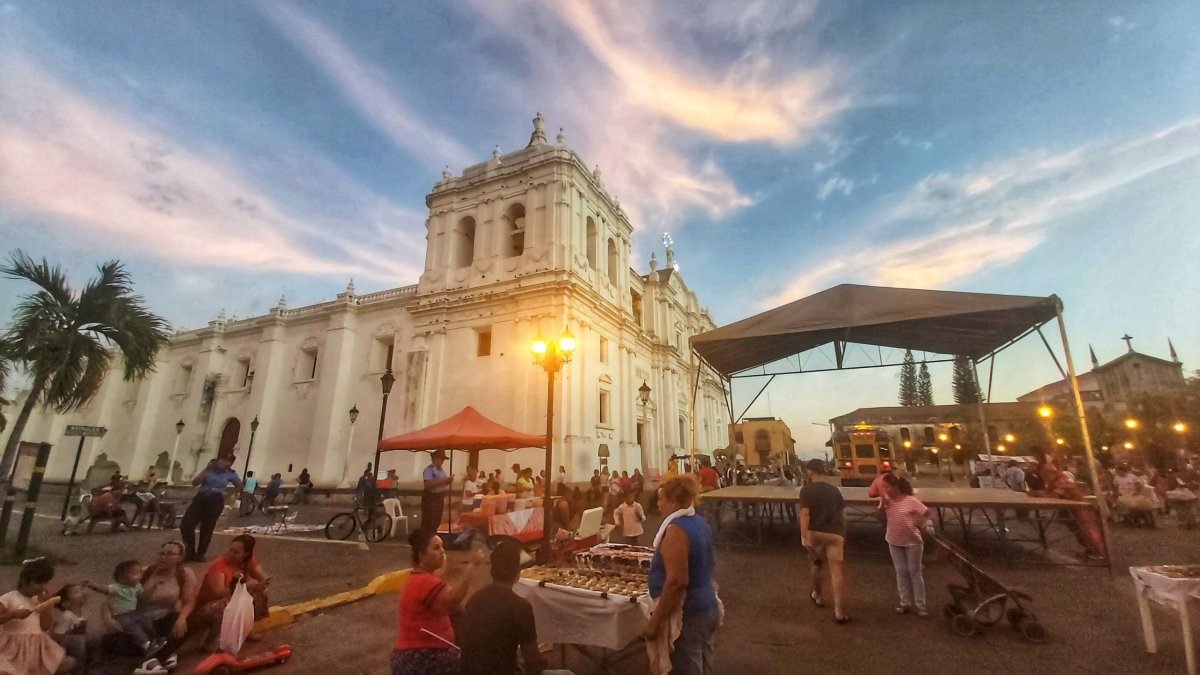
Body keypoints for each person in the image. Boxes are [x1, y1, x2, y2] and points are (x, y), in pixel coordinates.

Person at [644, 475, 719, 675]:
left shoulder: (676, 531)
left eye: (661, 499)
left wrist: (655, 621)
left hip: (689, 614)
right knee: (704, 663)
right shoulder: (699, 523)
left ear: (674, 502)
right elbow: (711, 562)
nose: (658, 504)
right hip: (706, 606)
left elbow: (677, 581)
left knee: (687, 667)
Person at [392, 530, 484, 675]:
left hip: (419, 653)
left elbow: (455, 609)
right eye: (436, 548)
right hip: (420, 656)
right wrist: (471, 566)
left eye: (442, 547)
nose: (442, 551)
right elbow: (453, 601)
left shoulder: (421, 579)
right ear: (422, 556)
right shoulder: (423, 582)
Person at [459, 541, 546, 675]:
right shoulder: (521, 607)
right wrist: (543, 662)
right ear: (518, 572)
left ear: (492, 571)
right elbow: (533, 664)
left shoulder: (474, 599)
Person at [193, 534, 270, 651]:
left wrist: (261, 586)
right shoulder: (218, 566)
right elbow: (218, 592)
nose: (231, 554)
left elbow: (263, 578)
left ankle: (247, 629)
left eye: (236, 552)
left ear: (246, 554)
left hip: (231, 599)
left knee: (256, 594)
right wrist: (242, 586)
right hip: (209, 605)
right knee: (225, 605)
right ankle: (209, 642)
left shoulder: (248, 561)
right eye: (231, 550)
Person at [0, 558, 75, 674]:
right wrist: (12, 615)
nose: (43, 587)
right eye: (38, 583)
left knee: (67, 663)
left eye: (45, 583)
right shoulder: (10, 598)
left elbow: (45, 626)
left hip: (37, 646)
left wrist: (47, 608)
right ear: (24, 582)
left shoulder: (37, 600)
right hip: (14, 647)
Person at [799, 458, 849, 624]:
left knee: (816, 565)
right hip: (835, 533)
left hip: (815, 532)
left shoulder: (806, 490)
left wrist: (804, 536)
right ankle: (839, 611)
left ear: (810, 471)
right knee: (836, 571)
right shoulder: (834, 490)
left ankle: (818, 596)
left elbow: (804, 514)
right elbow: (842, 515)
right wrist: (843, 534)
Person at [85, 561, 167, 657]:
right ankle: (146, 645)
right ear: (123, 578)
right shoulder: (117, 588)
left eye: (140, 573)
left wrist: (154, 586)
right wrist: (92, 585)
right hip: (122, 615)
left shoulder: (137, 586)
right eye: (135, 574)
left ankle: (154, 640)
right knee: (134, 630)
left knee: (146, 622)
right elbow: (103, 589)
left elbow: (143, 596)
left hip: (133, 612)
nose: (139, 576)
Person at [137, 540, 198, 663]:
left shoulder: (184, 574)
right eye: (161, 553)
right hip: (141, 620)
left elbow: (189, 601)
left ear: (180, 557)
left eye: (170, 554)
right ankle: (162, 656)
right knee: (113, 642)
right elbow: (118, 593)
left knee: (190, 624)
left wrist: (182, 619)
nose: (164, 557)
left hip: (164, 618)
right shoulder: (144, 572)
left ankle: (158, 656)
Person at [880, 474, 931, 617]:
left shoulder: (911, 500)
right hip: (894, 541)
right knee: (901, 571)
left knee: (914, 572)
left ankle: (921, 605)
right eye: (883, 487)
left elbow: (927, 513)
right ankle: (904, 603)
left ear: (895, 487)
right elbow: (880, 517)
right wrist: (882, 506)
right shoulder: (886, 501)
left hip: (912, 542)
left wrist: (922, 523)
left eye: (887, 487)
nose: (885, 490)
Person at [180, 455, 241, 562]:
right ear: (218, 460)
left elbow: (239, 486)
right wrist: (207, 469)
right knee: (186, 524)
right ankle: (190, 552)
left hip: (215, 501)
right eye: (222, 460)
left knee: (207, 527)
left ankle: (200, 554)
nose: (224, 463)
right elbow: (195, 482)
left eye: (228, 461)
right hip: (200, 499)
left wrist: (228, 494)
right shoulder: (209, 470)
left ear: (231, 464)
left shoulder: (231, 474)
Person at [49, 583, 88, 669]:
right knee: (77, 642)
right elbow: (58, 635)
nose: (82, 592)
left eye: (81, 590)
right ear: (66, 603)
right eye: (76, 592)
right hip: (69, 648)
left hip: (80, 644)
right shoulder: (66, 616)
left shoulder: (83, 612)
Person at [421, 450, 452, 535]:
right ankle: (426, 537)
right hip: (431, 497)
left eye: (443, 460)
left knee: (437, 519)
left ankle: (432, 535)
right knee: (429, 520)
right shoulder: (429, 470)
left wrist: (448, 481)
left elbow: (442, 483)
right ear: (435, 459)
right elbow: (427, 484)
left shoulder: (441, 470)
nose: (442, 461)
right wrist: (444, 480)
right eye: (441, 459)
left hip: (439, 496)